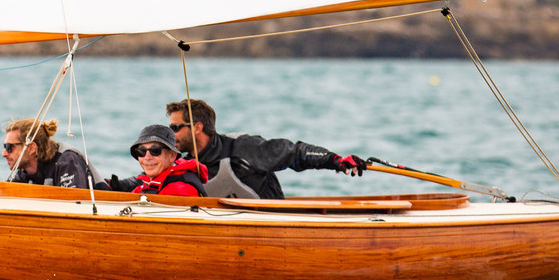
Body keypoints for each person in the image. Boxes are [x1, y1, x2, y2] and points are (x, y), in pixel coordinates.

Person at [166, 98, 364, 200]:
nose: (170, 135)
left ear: (197, 127)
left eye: (175, 128)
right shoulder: (182, 166)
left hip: (273, 230)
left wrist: (335, 160)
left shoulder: (243, 148)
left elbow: (295, 153)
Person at [100, 124, 209, 197]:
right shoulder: (148, 182)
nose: (147, 157)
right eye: (141, 151)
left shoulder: (179, 191)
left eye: (155, 151)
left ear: (172, 155)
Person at [1, 118, 92, 189]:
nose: (4, 154)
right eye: (4, 147)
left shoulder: (67, 162)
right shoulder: (24, 173)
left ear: (31, 148)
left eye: (9, 147)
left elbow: (75, 203)